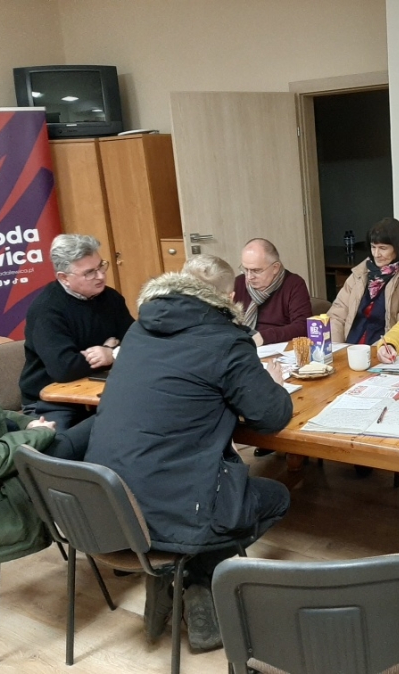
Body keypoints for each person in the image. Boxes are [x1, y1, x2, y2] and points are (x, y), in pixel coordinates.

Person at [85, 256, 292, 652]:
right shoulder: (225, 339)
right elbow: (272, 415)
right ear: (227, 298)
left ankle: (170, 579)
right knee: (275, 497)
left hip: (109, 507)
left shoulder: (139, 329)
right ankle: (199, 586)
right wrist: (273, 384)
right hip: (171, 510)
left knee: (207, 491)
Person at [0, 279, 92, 565]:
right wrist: (36, 436)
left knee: (93, 430)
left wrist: (25, 423)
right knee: (100, 426)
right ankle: (117, 541)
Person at [19, 234, 133, 430]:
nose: (100, 276)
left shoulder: (111, 298)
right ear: (64, 278)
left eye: (101, 266)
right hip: (51, 400)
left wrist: (111, 354)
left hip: (101, 388)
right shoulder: (46, 310)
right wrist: (108, 353)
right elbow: (64, 368)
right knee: (63, 442)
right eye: (89, 273)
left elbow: (137, 340)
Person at [328, 218, 399, 345]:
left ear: (398, 248)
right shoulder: (359, 274)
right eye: (373, 247)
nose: (376, 254)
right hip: (350, 348)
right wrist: (336, 348)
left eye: (383, 248)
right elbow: (336, 316)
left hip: (384, 349)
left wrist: (379, 350)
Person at [233, 238, 312, 345]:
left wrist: (265, 337)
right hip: (242, 345)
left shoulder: (293, 284)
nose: (249, 277)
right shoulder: (238, 283)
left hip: (276, 346)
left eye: (256, 270)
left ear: (275, 268)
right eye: (245, 269)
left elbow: (303, 326)